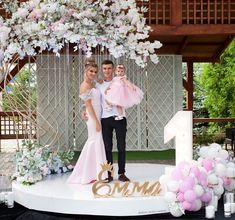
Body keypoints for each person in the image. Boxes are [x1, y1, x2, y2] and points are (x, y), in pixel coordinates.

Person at [67, 62, 107, 184]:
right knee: (93, 141)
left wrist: (85, 112)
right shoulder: (84, 85)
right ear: (86, 71)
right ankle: (89, 174)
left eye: (95, 71)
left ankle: (95, 173)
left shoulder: (92, 84)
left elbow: (88, 103)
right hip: (94, 117)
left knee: (97, 142)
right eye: (91, 71)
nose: (93, 74)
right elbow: (89, 105)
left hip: (97, 113)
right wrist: (96, 122)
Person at [96, 60, 130, 182]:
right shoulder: (98, 85)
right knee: (107, 147)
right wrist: (86, 112)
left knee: (121, 146)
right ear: (102, 69)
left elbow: (127, 96)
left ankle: (122, 173)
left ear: (113, 69)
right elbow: (94, 102)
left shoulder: (119, 81)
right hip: (105, 119)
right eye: (104, 68)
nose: (107, 71)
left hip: (119, 118)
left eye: (109, 68)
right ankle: (109, 174)